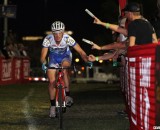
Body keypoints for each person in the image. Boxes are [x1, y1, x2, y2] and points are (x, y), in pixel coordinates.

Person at [40, 21, 91, 118]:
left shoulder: (68, 38)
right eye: (55, 33)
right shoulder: (48, 39)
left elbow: (80, 51)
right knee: (51, 82)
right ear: (52, 33)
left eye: (60, 33)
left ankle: (67, 95)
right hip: (53, 59)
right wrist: (43, 63)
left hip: (65, 57)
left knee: (64, 69)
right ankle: (52, 106)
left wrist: (86, 60)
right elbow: (43, 56)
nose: (57, 36)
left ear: (63, 32)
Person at [92, 3, 158, 46]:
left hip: (138, 60)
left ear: (130, 13)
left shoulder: (133, 25)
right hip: (149, 59)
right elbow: (155, 42)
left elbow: (131, 46)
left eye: (125, 13)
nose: (125, 16)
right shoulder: (148, 24)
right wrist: (101, 23)